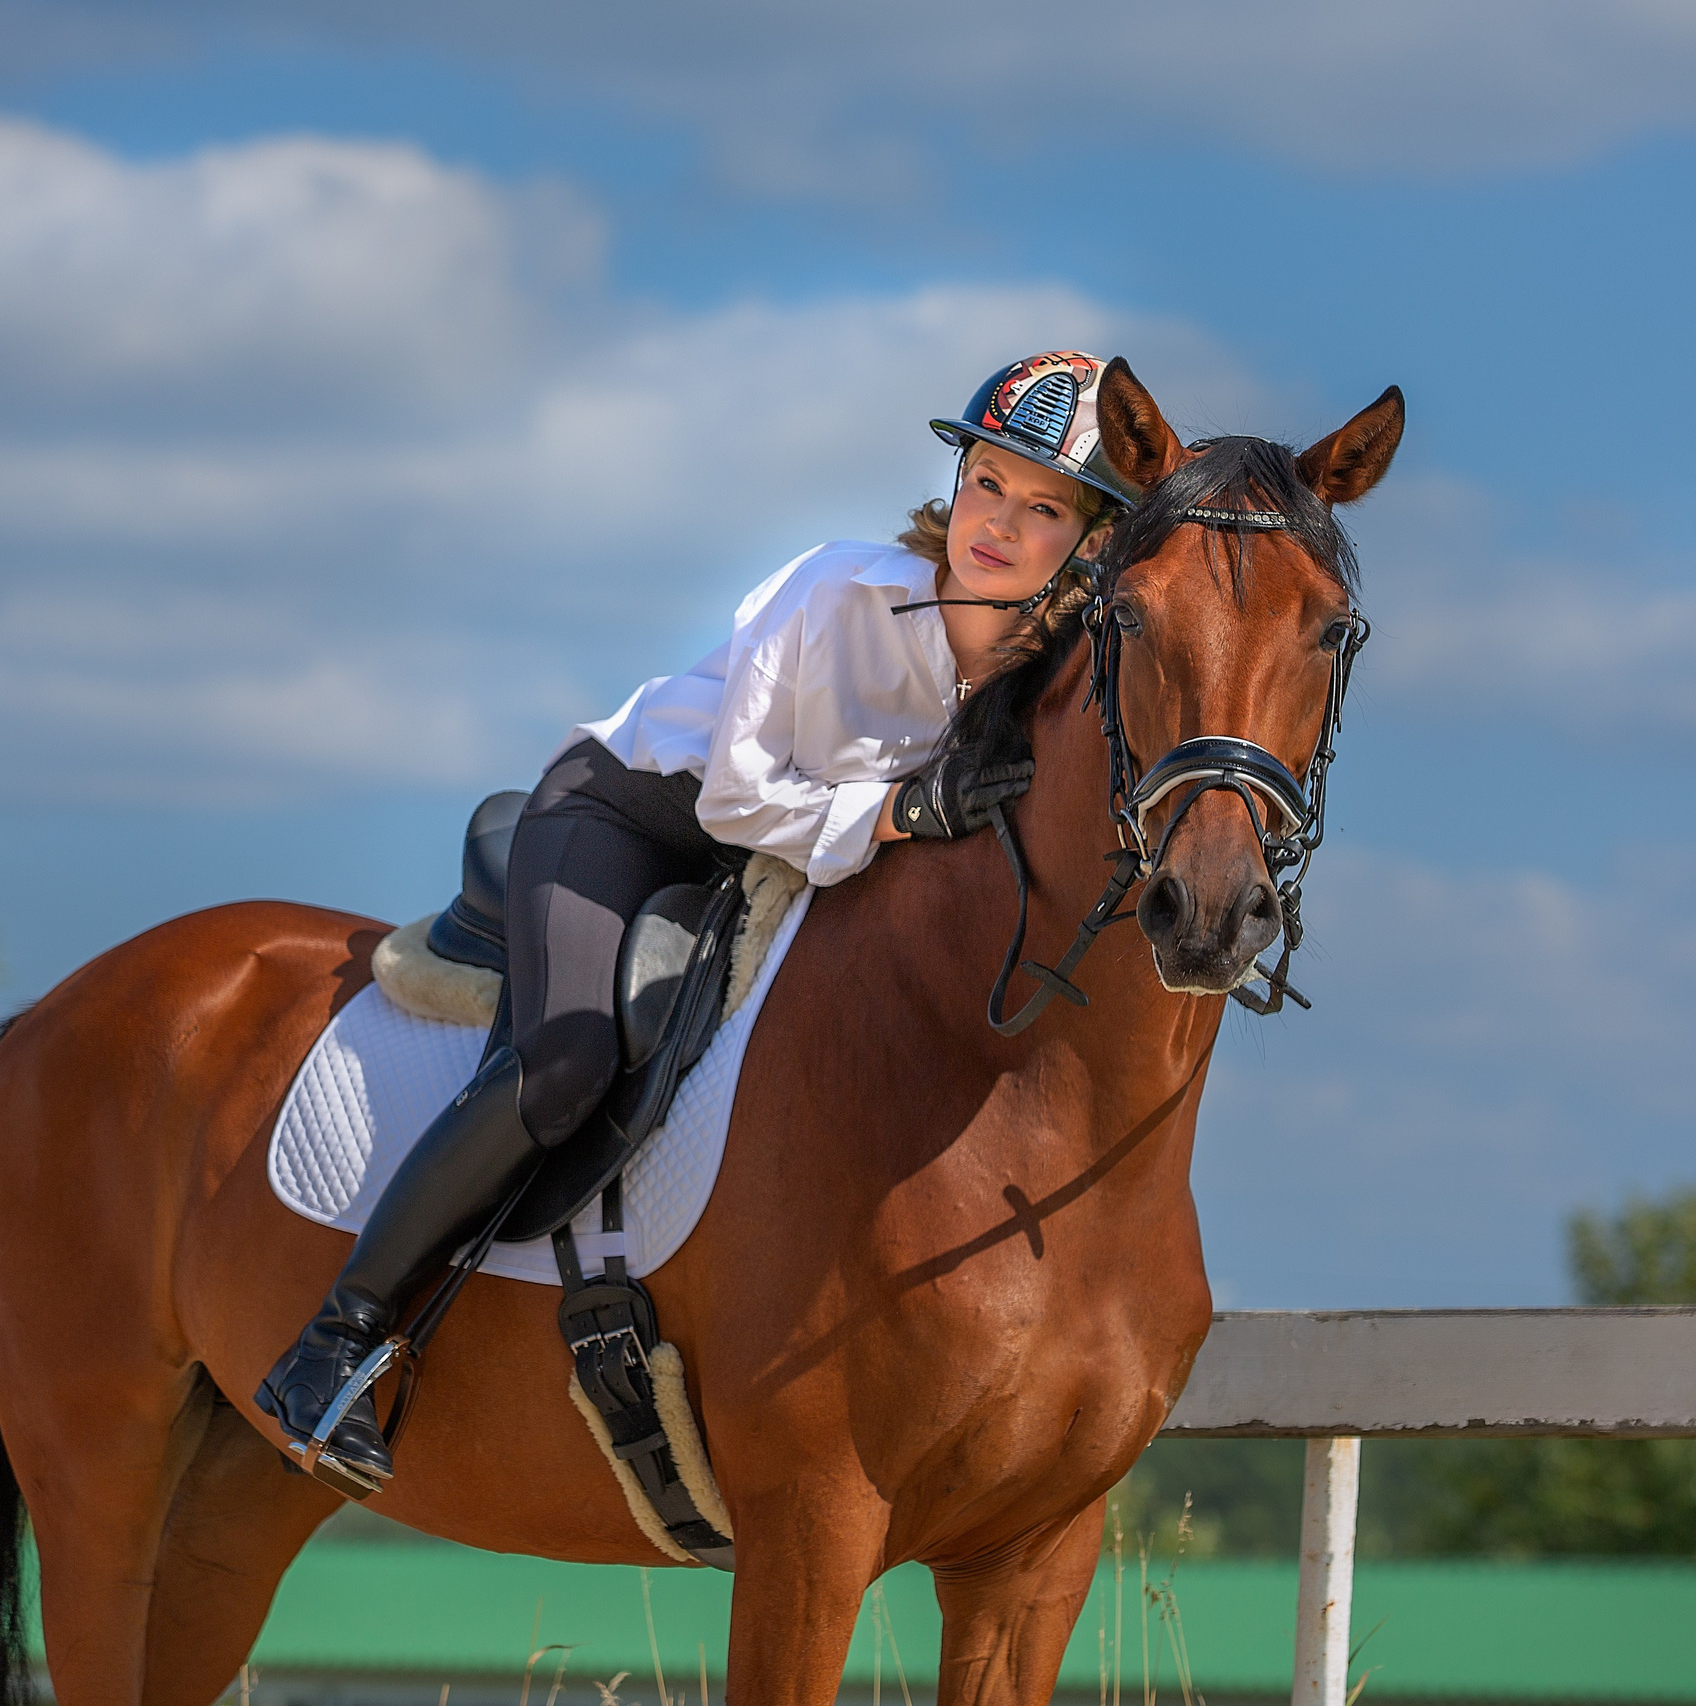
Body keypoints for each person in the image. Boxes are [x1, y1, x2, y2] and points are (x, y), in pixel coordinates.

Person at [258, 350, 1137, 1484]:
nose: (999, 524)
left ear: (1091, 541)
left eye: (1044, 507)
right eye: (986, 483)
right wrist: (905, 810)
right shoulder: (838, 592)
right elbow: (736, 799)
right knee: (567, 1062)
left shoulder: (1062, 677)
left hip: (782, 865)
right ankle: (332, 1343)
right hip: (630, 813)